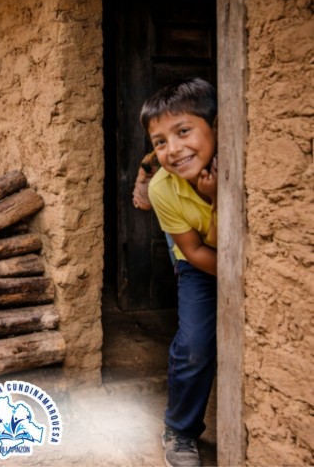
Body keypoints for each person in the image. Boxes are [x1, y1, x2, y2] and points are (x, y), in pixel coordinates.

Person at [140, 78, 218, 467]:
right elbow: (195, 251)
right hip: (200, 262)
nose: (173, 149)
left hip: (250, 259)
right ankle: (180, 430)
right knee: (196, 344)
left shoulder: (252, 163)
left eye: (183, 131)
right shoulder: (162, 189)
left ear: (216, 127)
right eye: (160, 141)